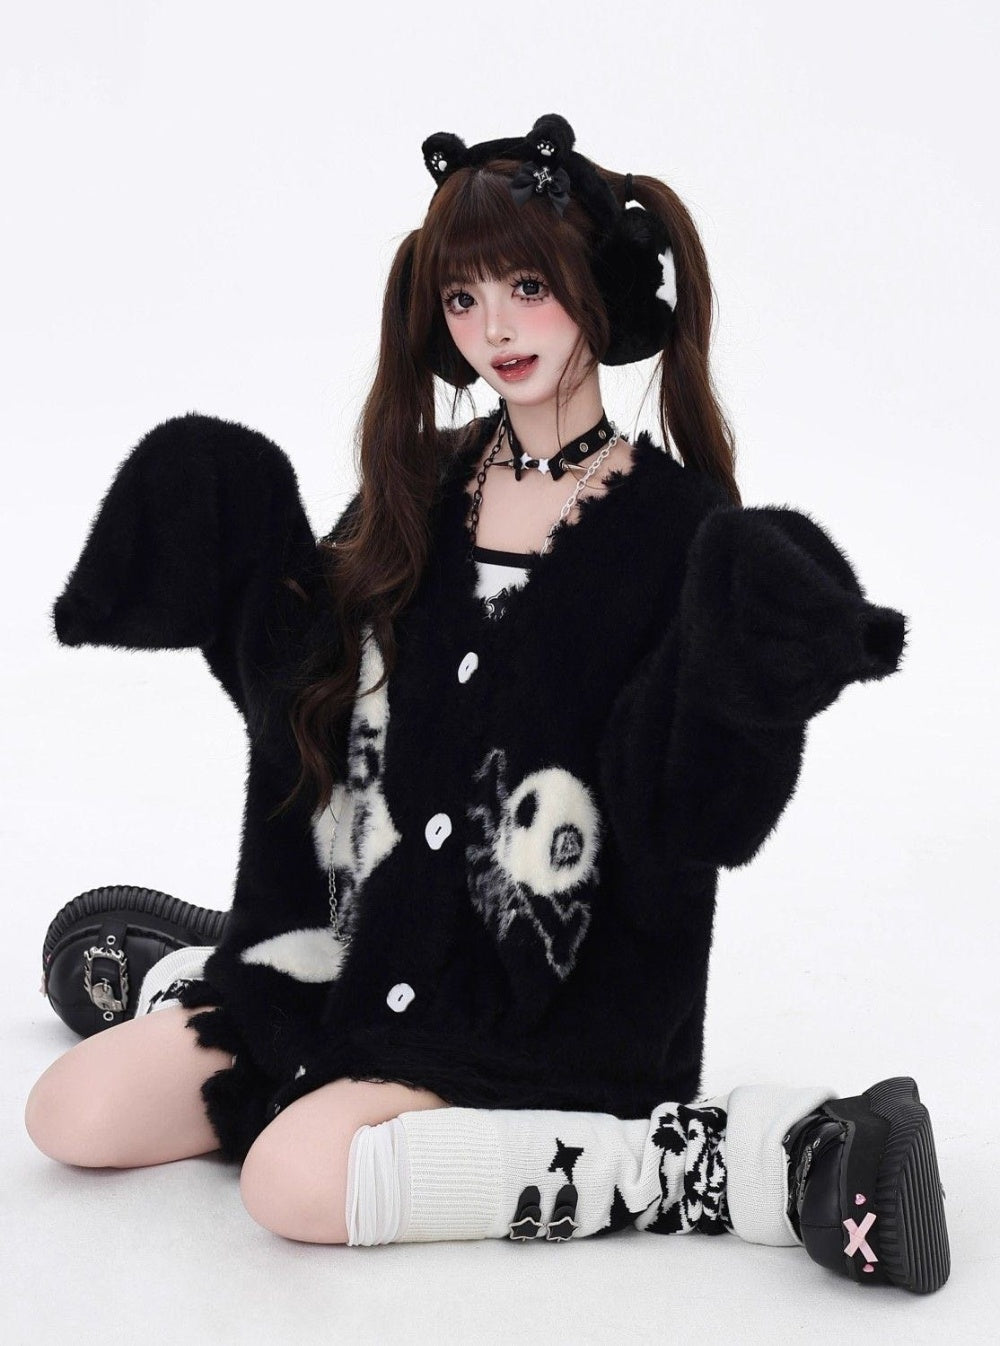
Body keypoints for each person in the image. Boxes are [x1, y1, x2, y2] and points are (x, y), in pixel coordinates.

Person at [25, 113, 949, 1292]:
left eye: (527, 287)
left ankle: (700, 1162)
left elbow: (685, 813)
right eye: (462, 297)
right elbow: (326, 705)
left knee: (294, 1182)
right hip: (358, 962)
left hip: (538, 1013)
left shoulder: (673, 527)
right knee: (71, 1112)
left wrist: (756, 678)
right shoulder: (421, 479)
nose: (494, 328)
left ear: (598, 291)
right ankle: (197, 976)